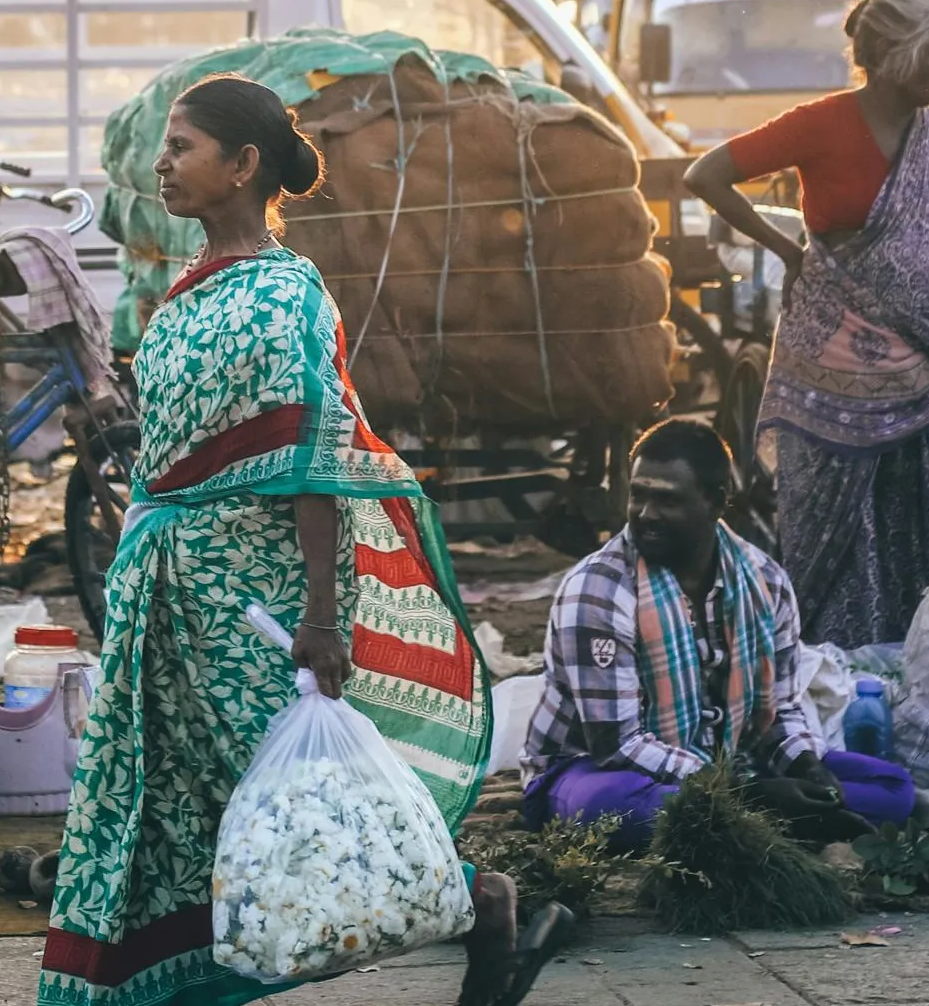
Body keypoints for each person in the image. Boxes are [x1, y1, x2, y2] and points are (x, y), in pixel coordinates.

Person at [36, 73, 569, 1006]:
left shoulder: (287, 294)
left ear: (243, 166)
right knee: (171, 797)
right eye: (165, 146)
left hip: (262, 606)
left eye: (182, 146)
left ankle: (484, 905)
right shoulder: (190, 286)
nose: (161, 163)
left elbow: (312, 462)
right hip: (172, 598)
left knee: (309, 799)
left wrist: (323, 619)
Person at [683, 0, 929, 648]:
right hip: (830, 361)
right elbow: (704, 175)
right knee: (839, 529)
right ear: (895, 52)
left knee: (925, 515)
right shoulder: (819, 124)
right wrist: (787, 249)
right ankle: (839, 666)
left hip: (924, 369)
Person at [522, 419, 915, 851]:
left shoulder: (766, 581)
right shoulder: (598, 589)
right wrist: (747, 793)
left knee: (893, 789)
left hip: (726, 763)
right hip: (593, 772)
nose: (645, 514)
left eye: (666, 500)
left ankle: (753, 816)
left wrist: (806, 765)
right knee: (612, 807)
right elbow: (617, 744)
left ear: (716, 502)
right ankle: (763, 816)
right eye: (638, 494)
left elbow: (778, 708)